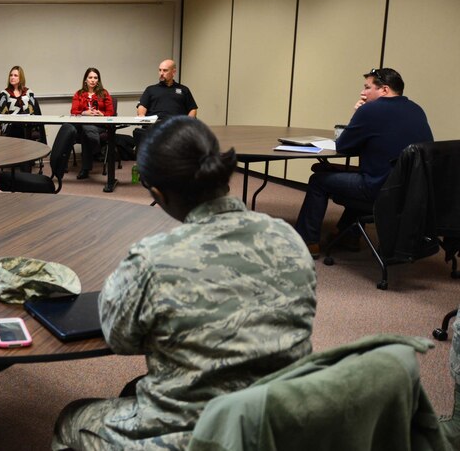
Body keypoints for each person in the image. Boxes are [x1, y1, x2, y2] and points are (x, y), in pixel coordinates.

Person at [52, 117, 317, 450]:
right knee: (136, 388)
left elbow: (119, 338)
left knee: (71, 419)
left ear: (159, 193)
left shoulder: (154, 258)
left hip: (199, 436)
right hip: (277, 421)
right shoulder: (288, 238)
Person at [294, 68, 433, 258]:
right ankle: (349, 234)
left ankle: (308, 241)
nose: (362, 92)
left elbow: (343, 146)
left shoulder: (370, 109)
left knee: (318, 180)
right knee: (357, 174)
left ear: (384, 90)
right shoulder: (417, 109)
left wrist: (357, 113)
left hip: (378, 189)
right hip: (411, 191)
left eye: (367, 87)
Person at [133, 59, 198, 148]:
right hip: (155, 125)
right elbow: (142, 106)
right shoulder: (151, 89)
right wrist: (141, 115)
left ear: (173, 72)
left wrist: (187, 122)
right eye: (160, 70)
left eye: (165, 70)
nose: (161, 73)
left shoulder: (183, 90)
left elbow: (192, 109)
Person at [70, 67, 114, 179]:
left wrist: (102, 114)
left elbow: (111, 112)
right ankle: (97, 148)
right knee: (85, 128)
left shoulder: (104, 93)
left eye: (95, 78)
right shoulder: (78, 94)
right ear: (85, 80)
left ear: (98, 80)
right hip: (83, 125)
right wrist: (85, 113)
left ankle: (85, 169)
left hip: (99, 126)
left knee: (86, 133)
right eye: (90, 77)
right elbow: (73, 111)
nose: (93, 80)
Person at [0, 65, 45, 142]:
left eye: (15, 75)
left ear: (21, 78)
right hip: (10, 130)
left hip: (27, 129)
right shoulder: (4, 94)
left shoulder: (28, 93)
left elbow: (34, 113)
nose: (12, 77)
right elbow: (3, 114)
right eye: (11, 75)